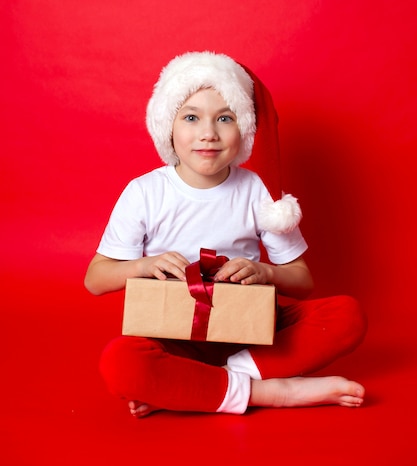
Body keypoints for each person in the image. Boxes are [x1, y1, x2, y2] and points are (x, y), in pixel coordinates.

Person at [84, 51, 367, 417]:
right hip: (173, 335)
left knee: (347, 315)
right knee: (120, 363)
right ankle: (273, 392)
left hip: (251, 330)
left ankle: (196, 385)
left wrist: (266, 272)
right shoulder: (144, 192)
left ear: (244, 128)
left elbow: (303, 282)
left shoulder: (258, 190)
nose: (208, 133)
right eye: (190, 117)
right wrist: (144, 264)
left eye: (225, 118)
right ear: (167, 126)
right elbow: (95, 279)